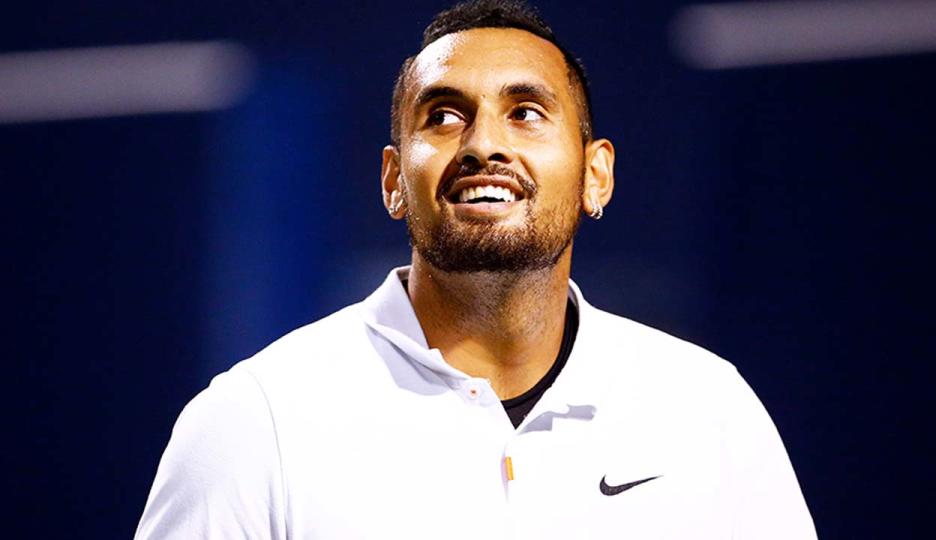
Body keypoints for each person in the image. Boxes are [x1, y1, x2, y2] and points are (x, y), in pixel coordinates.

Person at [135, 1, 817, 538]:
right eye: (444, 116)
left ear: (597, 174)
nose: (484, 143)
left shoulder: (710, 410)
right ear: (393, 179)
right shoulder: (256, 422)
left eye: (525, 113)